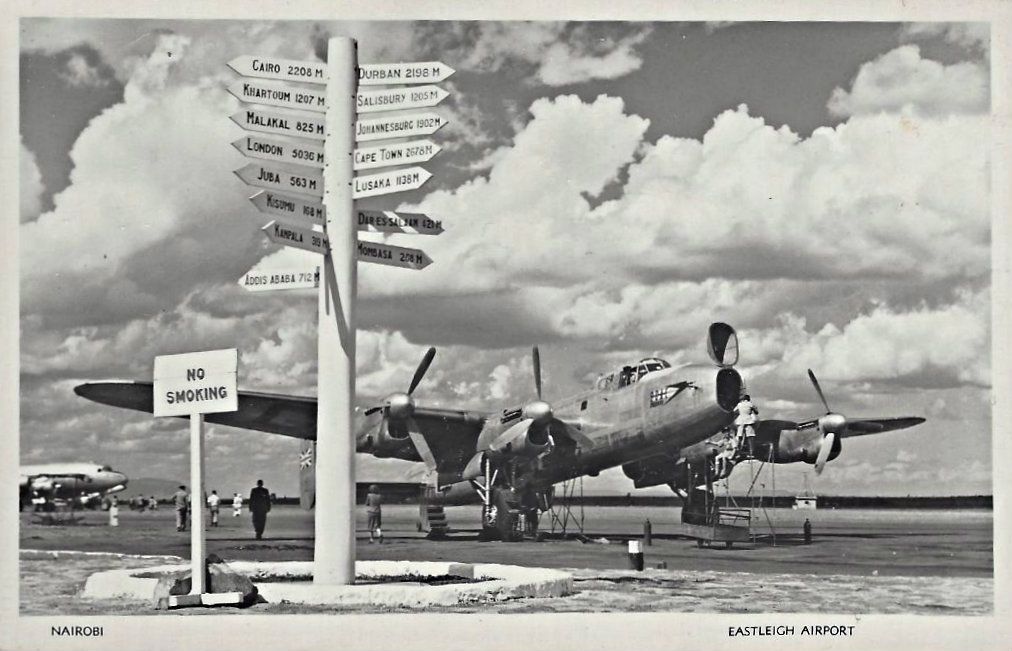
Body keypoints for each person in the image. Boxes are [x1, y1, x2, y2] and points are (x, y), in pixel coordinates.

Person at [734, 393, 759, 458]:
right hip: (749, 421)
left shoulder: (739, 404)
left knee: (739, 437)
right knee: (750, 437)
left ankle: (737, 453)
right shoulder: (750, 404)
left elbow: (734, 411)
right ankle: (751, 453)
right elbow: (756, 412)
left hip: (740, 421)